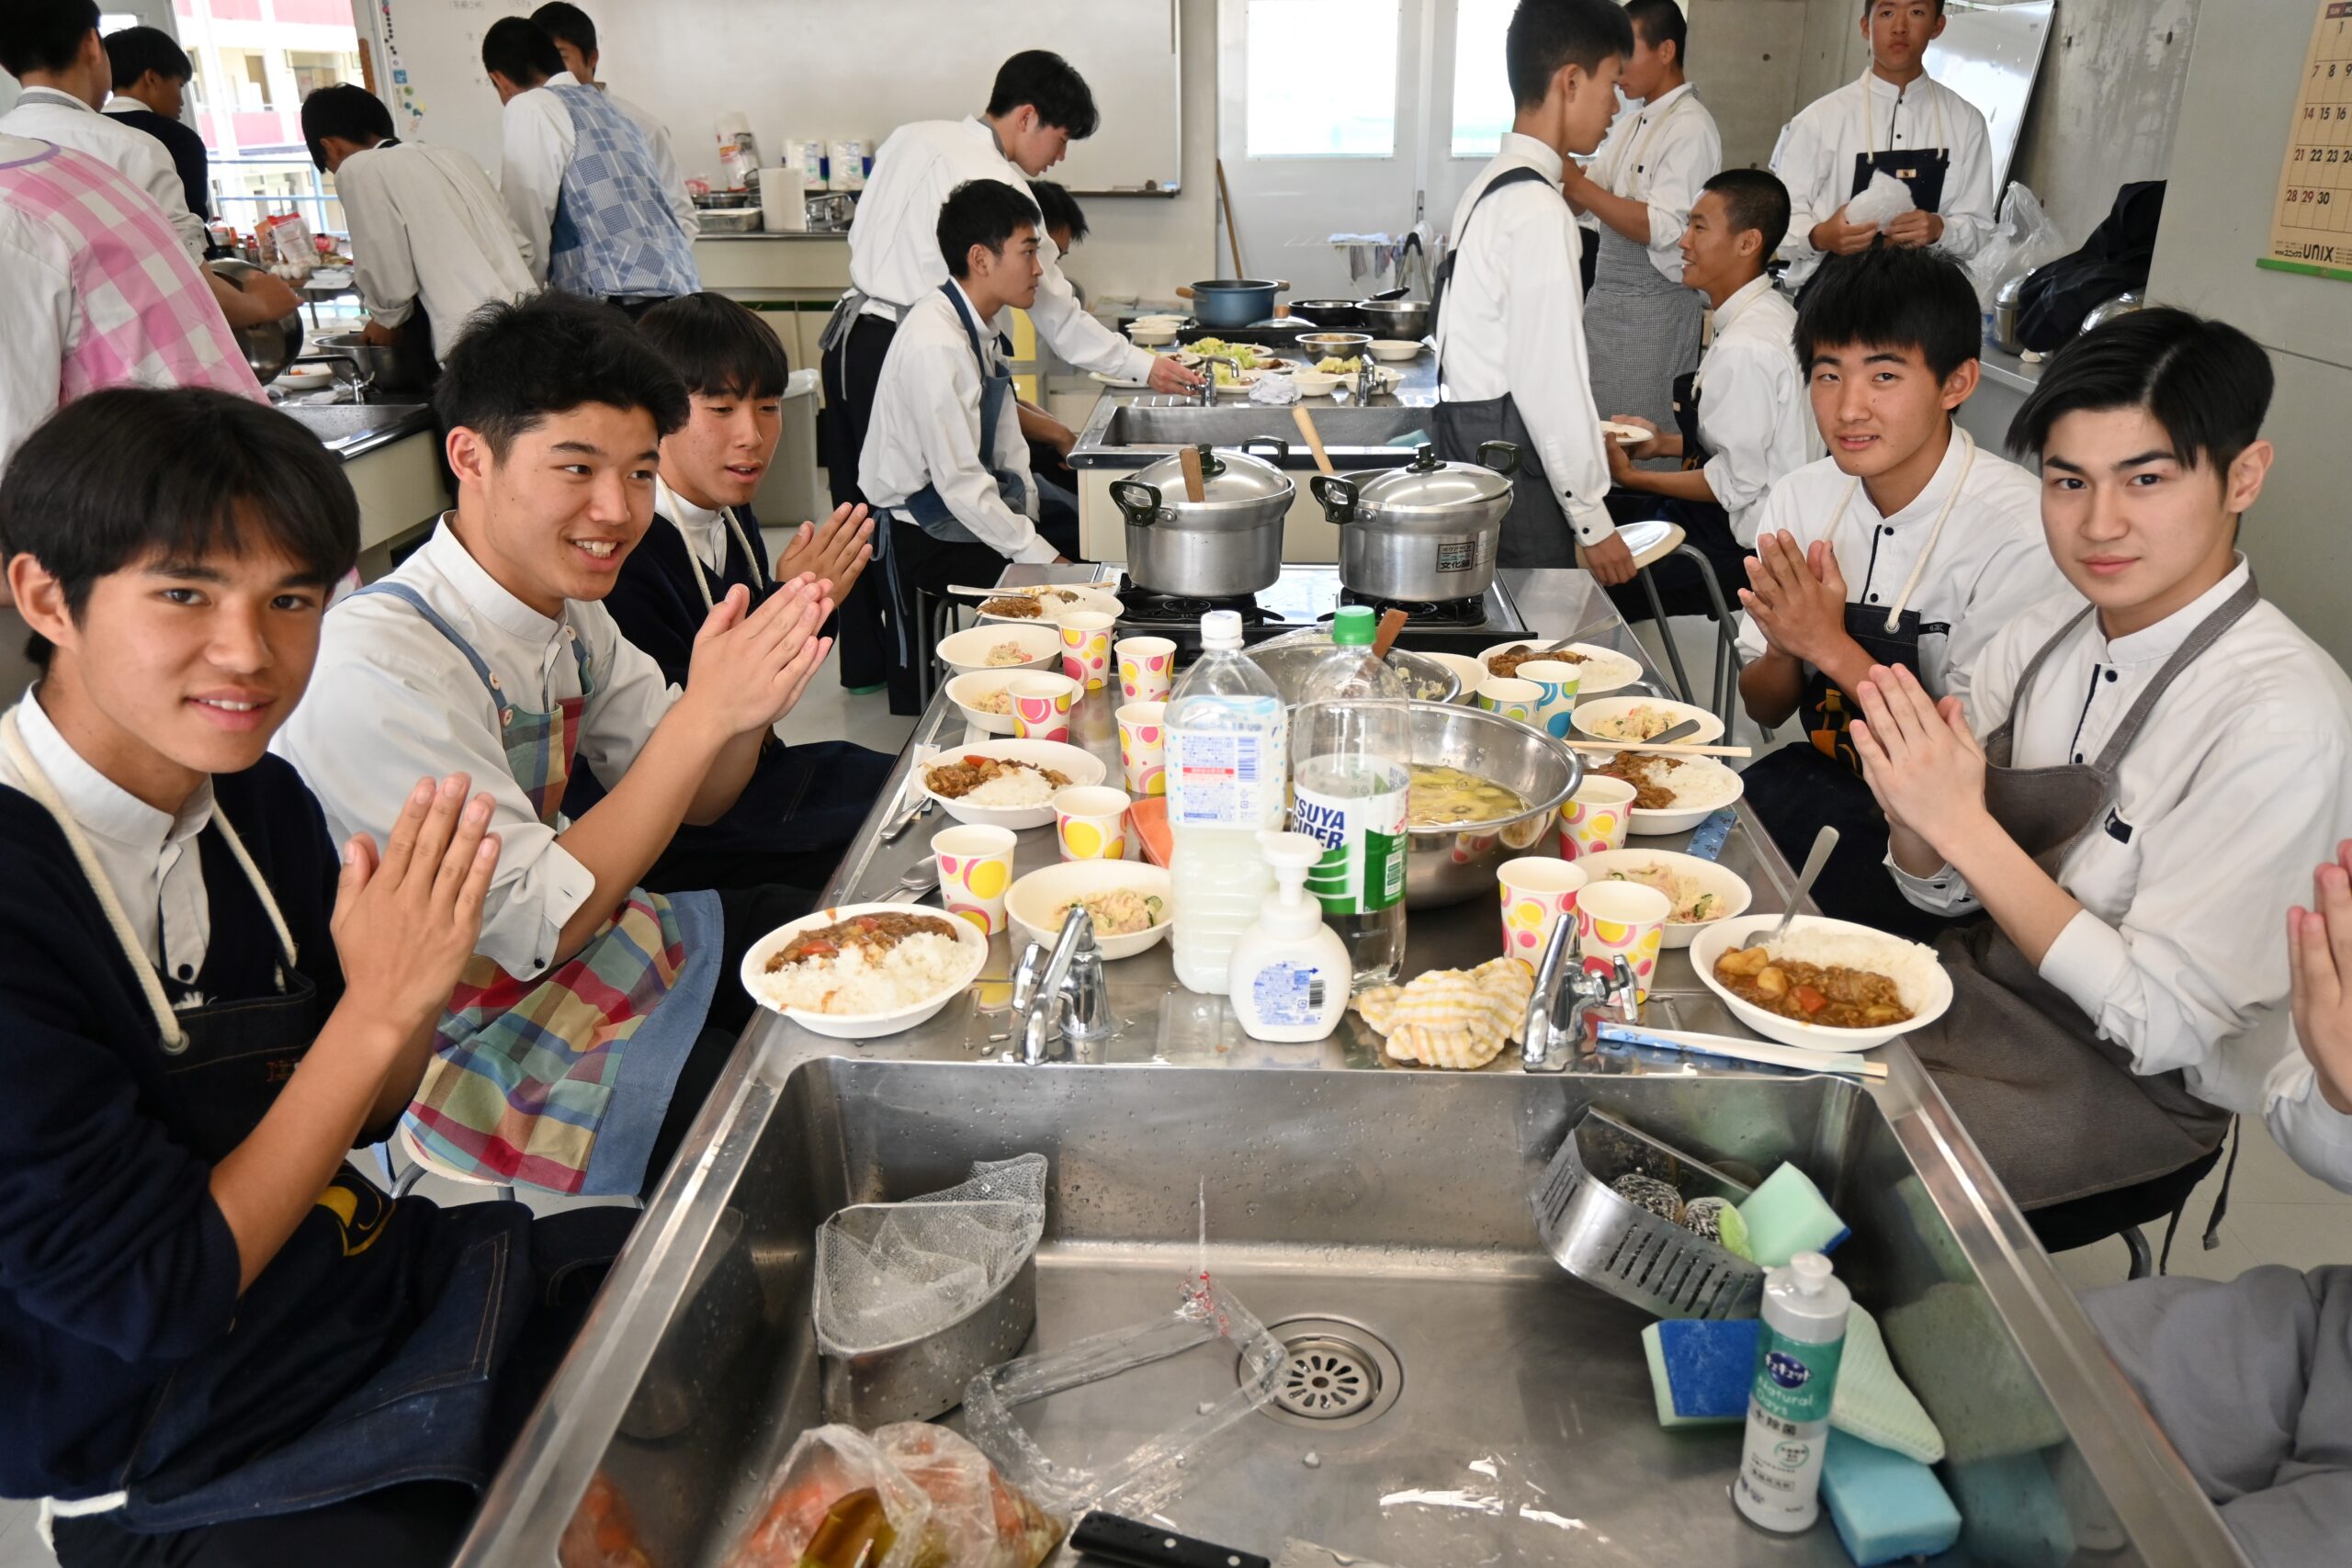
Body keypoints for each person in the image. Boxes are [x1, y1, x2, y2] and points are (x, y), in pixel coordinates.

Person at [0, 387, 633, 1566]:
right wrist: (383, 1007)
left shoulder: (257, 801)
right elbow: (159, 1291)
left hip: (337, 1298)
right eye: (184, 595)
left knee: (671, 1301)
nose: (249, 653)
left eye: (290, 600)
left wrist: (416, 981)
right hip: (158, 1444)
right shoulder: (23, 890)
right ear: (47, 597)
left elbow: (374, 1109)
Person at [275, 293, 834, 1198]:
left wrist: (742, 709)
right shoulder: (378, 667)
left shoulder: (570, 608)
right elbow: (537, 926)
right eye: (576, 468)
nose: (616, 509)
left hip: (608, 941)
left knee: (840, 939)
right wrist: (704, 716)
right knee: (784, 1124)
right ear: (471, 457)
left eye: (640, 473)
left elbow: (703, 798)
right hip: (468, 1040)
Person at [1850, 307, 2352, 1216]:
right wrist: (1914, 816)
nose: (2098, 523)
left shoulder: (2281, 720)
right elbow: (1946, 895)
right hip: (1974, 995)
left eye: (2146, 479)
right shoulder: (2042, 637)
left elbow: (2164, 1024)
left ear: (2243, 476)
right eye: (2068, 481)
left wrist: (1961, 823)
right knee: (1764, 1088)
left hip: (2130, 1092)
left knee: (1834, 1182)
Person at [820, 51, 1198, 694]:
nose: (1060, 156)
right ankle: (914, 682)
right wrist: (1145, 366)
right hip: (907, 340)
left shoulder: (912, 136)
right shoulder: (1000, 193)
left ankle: (872, 667)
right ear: (1027, 117)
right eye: (1061, 137)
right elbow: (1060, 317)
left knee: (854, 516)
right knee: (893, 510)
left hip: (853, 338)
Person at [1733, 244, 2063, 936]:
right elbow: (1764, 705)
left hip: (1940, 840)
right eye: (1828, 374)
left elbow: (1968, 766)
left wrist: (1827, 642)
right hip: (1815, 776)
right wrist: (1787, 647)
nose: (1849, 407)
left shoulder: (2018, 531)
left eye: (1884, 375)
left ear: (1956, 382)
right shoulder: (1800, 497)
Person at [2077, 840, 2352, 1568]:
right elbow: (2302, 1103)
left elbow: (2165, 1018)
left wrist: (1967, 836)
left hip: (2135, 1073)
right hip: (2327, 1338)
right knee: (2023, 1364)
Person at [590, 290, 892, 891]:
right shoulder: (626, 558)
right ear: (654, 411)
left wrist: (801, 603)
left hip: (759, 776)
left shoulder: (725, 510)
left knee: (920, 782)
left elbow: (760, 709)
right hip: (687, 832)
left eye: (769, 406)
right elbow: (688, 761)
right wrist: (793, 607)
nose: (752, 434)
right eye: (722, 408)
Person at [1430, 0, 1634, 581]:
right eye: (1612, 83)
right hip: (1513, 474)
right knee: (1533, 633)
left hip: (1474, 461)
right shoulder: (1539, 209)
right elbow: (1550, 379)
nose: (1616, 106)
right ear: (1570, 81)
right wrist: (1593, 519)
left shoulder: (1489, 186)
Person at [861, 179, 1080, 714]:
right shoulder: (936, 344)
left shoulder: (977, 324)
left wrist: (1032, 515)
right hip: (922, 528)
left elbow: (1006, 441)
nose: (1039, 269)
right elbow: (960, 485)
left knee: (1078, 529)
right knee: (1054, 587)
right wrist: (1043, 558)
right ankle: (1026, 699)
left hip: (961, 502)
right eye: (1029, 252)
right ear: (981, 259)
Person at [0, 0, 297, 333]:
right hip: (127, 345)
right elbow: (188, 277)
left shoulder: (8, 144)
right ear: (92, 45)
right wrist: (260, 305)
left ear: (6, 65)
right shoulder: (133, 149)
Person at [1602, 168, 1817, 621]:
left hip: (1741, 549)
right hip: (1730, 516)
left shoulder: (1748, 347)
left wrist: (1635, 477)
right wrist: (1660, 443)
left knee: (1593, 570)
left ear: (1748, 242)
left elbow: (1734, 485)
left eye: (1699, 228)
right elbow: (1752, 448)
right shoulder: (1765, 314)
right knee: (1595, 519)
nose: (1683, 242)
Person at [0, 132, 263, 467]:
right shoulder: (78, 167)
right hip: (231, 455)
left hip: (162, 476)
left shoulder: (8, 220)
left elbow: (12, 448)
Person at [1558, 0, 1721, 462]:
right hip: (1607, 307)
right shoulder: (1631, 122)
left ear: (1666, 50)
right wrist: (1556, 159)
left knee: (1641, 442)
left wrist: (1578, 184)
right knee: (1597, 439)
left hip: (1655, 314)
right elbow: (1587, 201)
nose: (1618, 66)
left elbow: (1663, 227)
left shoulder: (1691, 127)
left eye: (1628, 52)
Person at [299, 83, 537, 366]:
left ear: (330, 146)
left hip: (475, 339)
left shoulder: (359, 168)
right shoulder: (456, 157)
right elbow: (523, 249)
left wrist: (386, 319)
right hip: (531, 318)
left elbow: (387, 269)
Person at [1770, 0, 1996, 293]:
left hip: (1924, 300)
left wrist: (1940, 229)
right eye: (1887, 13)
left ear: (1937, 26)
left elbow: (1980, 229)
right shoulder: (1819, 120)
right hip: (1831, 300)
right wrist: (1821, 236)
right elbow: (1778, 224)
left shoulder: (1966, 121)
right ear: (1866, 26)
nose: (1900, 27)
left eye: (1916, 12)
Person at [481, 15, 698, 316]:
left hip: (615, 299)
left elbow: (527, 227)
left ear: (499, 80)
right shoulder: (611, 108)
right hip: (677, 289)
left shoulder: (530, 106)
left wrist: (520, 304)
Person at [526, 2, 698, 243]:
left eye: (561, 57)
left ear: (592, 58)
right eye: (540, 60)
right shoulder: (537, 125)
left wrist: (645, 256)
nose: (550, 72)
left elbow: (682, 218)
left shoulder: (643, 128)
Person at [100, 25, 208, 225]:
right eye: (179, 85)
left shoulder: (83, 131)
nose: (181, 101)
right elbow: (192, 222)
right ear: (152, 79)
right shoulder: (178, 139)